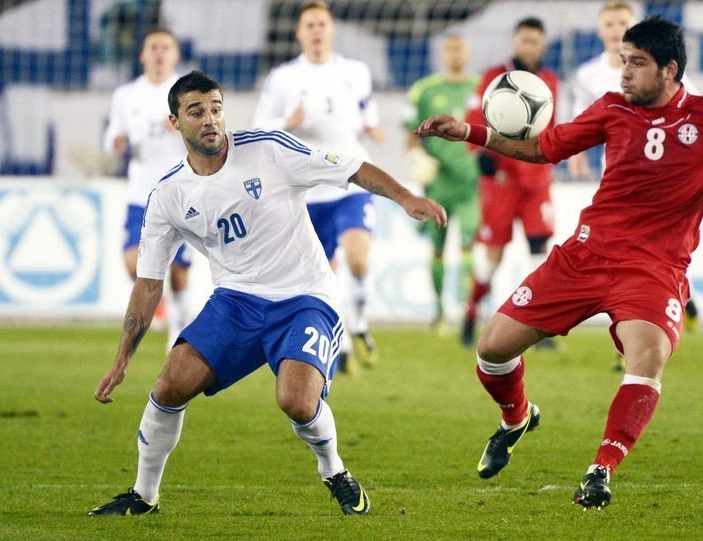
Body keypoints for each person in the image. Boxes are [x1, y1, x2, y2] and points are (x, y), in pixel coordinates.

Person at [415, 16, 703, 510]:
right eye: (623, 61)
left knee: (648, 357)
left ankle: (600, 471)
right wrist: (470, 132)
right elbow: (542, 148)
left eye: (637, 63)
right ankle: (516, 418)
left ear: (669, 70)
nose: (624, 73)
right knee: (492, 350)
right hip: (585, 255)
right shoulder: (612, 108)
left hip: (654, 269)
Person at [89, 70, 447, 517]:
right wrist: (123, 359)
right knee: (169, 386)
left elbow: (352, 167)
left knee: (296, 401)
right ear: (174, 123)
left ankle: (334, 470)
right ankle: (144, 496)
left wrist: (406, 197)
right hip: (236, 301)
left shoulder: (269, 149)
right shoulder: (167, 195)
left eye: (216, 108)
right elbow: (148, 282)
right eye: (196, 112)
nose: (210, 119)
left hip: (305, 297)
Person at [253, 0, 383, 374]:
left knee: (358, 258)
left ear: (331, 30)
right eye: (309, 25)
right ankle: (342, 343)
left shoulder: (355, 72)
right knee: (325, 275)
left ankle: (360, 322)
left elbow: (368, 117)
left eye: (321, 24)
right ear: (299, 33)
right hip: (307, 190)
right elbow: (259, 129)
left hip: (352, 180)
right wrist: (286, 121)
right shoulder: (282, 78)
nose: (316, 31)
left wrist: (373, 129)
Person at [565, 1, 701, 344]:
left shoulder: (659, 68)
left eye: (622, 23)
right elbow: (580, 118)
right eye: (609, 24)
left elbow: (695, 109)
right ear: (600, 30)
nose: (615, 30)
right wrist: (577, 154)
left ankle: (673, 297)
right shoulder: (588, 75)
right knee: (627, 256)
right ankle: (654, 315)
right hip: (617, 181)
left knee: (648, 254)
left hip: (662, 180)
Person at [462, 17, 562, 349]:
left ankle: (538, 329)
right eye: (524, 40)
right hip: (502, 180)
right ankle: (470, 313)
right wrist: (479, 152)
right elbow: (473, 118)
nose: (529, 47)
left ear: (542, 45)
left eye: (534, 41)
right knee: (493, 255)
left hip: (536, 179)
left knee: (539, 250)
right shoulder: (494, 77)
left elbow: (552, 125)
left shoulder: (550, 81)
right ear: (514, 42)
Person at [103, 28, 191, 350]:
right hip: (141, 194)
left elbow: (207, 136)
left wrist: (183, 129)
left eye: (166, 47)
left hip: (181, 193)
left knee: (179, 270)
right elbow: (111, 139)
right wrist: (116, 142)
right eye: (153, 47)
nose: (159, 53)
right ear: (143, 55)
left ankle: (179, 328)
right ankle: (160, 302)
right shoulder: (126, 95)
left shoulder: (187, 92)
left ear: (176, 55)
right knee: (133, 262)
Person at [403, 35, 480, 335]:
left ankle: (465, 313)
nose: (455, 53)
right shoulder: (425, 90)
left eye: (460, 48)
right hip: (438, 184)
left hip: (471, 184)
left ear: (468, 52)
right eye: (450, 48)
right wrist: (416, 157)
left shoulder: (481, 87)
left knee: (468, 243)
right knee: (437, 249)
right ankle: (439, 312)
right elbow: (411, 136)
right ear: (442, 54)